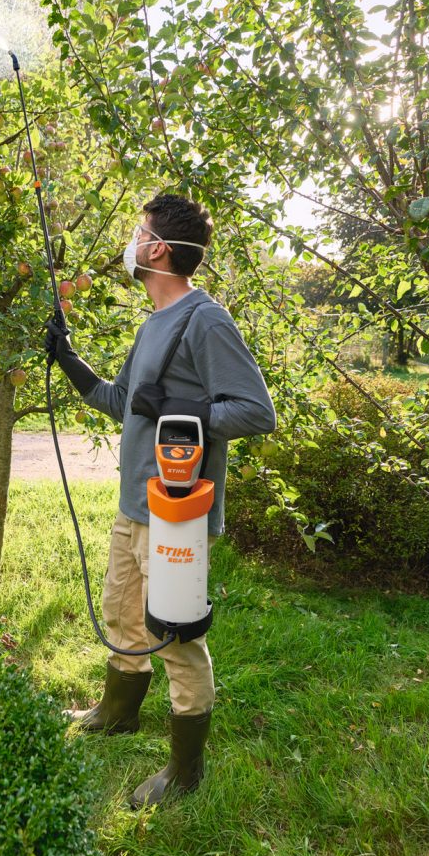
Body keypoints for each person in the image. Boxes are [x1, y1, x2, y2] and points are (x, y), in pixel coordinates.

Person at [44, 192, 277, 808]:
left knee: (174, 636)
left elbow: (256, 413)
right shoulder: (153, 324)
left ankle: (184, 772)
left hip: (176, 512)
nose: (133, 241)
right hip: (134, 503)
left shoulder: (205, 320)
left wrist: (179, 410)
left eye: (139, 232)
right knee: (122, 611)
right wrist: (70, 363)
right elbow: (125, 402)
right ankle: (116, 713)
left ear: (159, 250)